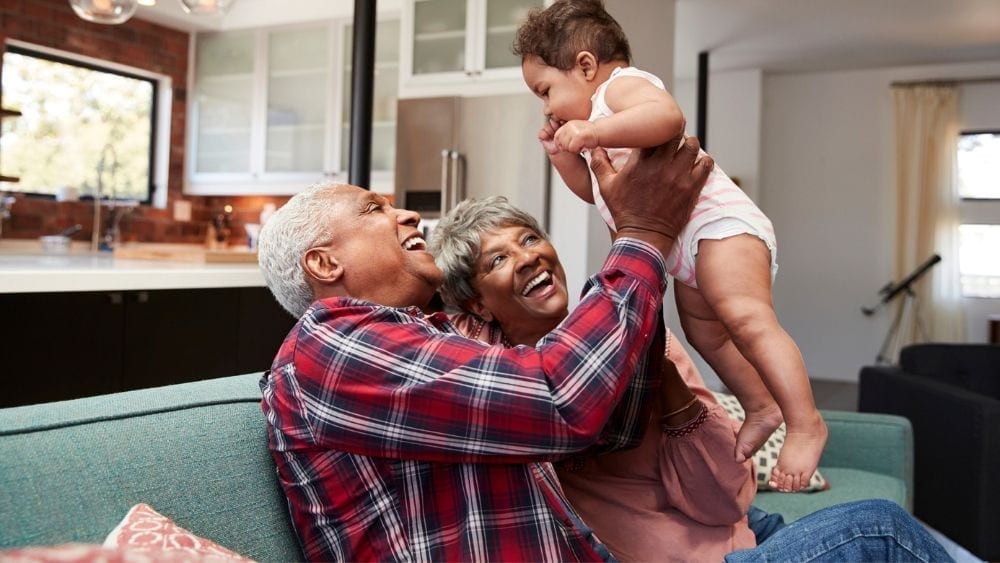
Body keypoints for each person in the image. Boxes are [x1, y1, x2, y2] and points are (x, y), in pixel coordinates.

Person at [255, 136, 713, 561]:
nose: (409, 215)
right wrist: (642, 236)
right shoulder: (331, 345)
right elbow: (559, 400)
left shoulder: (424, 337)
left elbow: (609, 428)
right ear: (324, 263)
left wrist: (631, 230)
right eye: (374, 209)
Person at [429, 195, 954, 563]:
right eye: (498, 259)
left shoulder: (627, 332)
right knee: (880, 528)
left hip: (731, 523)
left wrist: (661, 376)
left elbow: (726, 500)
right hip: (680, 551)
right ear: (477, 304)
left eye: (529, 238)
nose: (527, 257)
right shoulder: (497, 377)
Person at [514, 0, 826, 492]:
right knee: (707, 335)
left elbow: (668, 118)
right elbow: (595, 192)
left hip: (719, 225)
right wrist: (561, 155)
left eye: (545, 90)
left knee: (746, 319)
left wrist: (592, 130)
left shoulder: (620, 89)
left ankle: (805, 424)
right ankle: (760, 404)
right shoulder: (601, 127)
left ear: (586, 66)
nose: (547, 108)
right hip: (685, 247)